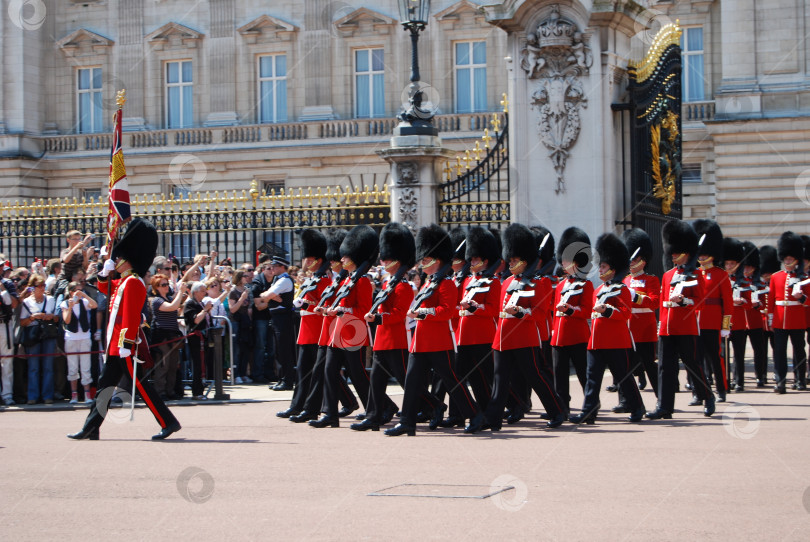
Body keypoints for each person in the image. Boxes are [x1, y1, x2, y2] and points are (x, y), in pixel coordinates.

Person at [68, 217, 181, 440]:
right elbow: (108, 291)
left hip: (125, 345)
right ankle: (92, 427)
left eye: (118, 258)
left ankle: (168, 422)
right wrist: (103, 273)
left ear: (127, 260)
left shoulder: (134, 282)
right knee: (104, 386)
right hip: (116, 344)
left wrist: (126, 344)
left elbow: (129, 316)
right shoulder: (126, 280)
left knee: (141, 385)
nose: (116, 260)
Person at [385, 224, 484, 436]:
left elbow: (447, 311)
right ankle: (407, 422)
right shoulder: (429, 282)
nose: (422, 263)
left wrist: (421, 313)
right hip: (420, 341)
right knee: (412, 382)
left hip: (439, 342)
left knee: (453, 382)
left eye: (426, 259)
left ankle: (475, 414)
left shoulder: (446, 283)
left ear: (436, 260)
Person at [481, 223, 565, 431]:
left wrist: (519, 312)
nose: (510, 263)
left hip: (525, 337)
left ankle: (557, 411)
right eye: (509, 259)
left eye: (514, 260)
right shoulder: (506, 281)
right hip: (503, 338)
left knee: (535, 376)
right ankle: (493, 418)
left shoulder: (540, 283)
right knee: (500, 380)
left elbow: (539, 313)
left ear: (525, 260)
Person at [569, 233, 645, 424]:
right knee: (592, 379)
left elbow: (625, 313)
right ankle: (589, 411)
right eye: (600, 266)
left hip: (615, 341)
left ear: (613, 269)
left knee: (624, 377)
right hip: (596, 341)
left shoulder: (622, 290)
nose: (600, 269)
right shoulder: (598, 290)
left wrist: (607, 310)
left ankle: (637, 407)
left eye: (603, 266)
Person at [310, 225, 377, 428]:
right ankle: (330, 414)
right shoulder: (347, 279)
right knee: (329, 371)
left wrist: (341, 311)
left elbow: (363, 310)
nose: (342, 260)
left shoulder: (363, 281)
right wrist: (330, 309)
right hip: (337, 332)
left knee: (358, 375)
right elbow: (341, 304)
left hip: (352, 333)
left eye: (346, 257)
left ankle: (377, 408)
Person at [647, 219, 715, 419]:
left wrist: (684, 300)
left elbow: (700, 302)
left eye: (677, 253)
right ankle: (664, 406)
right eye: (672, 253)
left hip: (686, 327)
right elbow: (662, 302)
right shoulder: (667, 275)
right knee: (665, 368)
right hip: (667, 327)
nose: (673, 255)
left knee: (692, 365)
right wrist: (661, 324)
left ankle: (707, 395)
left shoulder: (696, 274)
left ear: (686, 253)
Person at [352, 222, 415, 431]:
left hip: (396, 339)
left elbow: (399, 314)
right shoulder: (388, 284)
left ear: (397, 260)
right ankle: (374, 416)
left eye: (387, 258)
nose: (383, 261)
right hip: (382, 339)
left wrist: (378, 319)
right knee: (376, 381)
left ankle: (433, 405)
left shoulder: (404, 286)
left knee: (405, 380)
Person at [277, 229, 331, 418]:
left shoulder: (324, 279)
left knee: (316, 373)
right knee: (303, 370)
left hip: (316, 329)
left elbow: (326, 303)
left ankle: (309, 407)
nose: (306, 263)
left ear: (318, 260)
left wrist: (306, 303)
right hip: (306, 330)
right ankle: (297, 405)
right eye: (306, 259)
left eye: (309, 260)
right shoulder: (313, 278)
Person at [551, 227, 594, 414]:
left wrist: (570, 310)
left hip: (577, 336)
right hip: (559, 337)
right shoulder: (560, 284)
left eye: (567, 260)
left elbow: (586, 311)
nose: (563, 263)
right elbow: (554, 312)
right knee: (559, 376)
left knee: (584, 374)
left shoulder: (586, 284)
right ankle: (562, 407)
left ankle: (590, 406)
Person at [617, 228, 660, 412]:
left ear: (644, 260)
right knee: (623, 368)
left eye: (635, 259)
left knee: (650, 366)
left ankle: (662, 398)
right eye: (631, 259)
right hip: (627, 329)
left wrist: (637, 298)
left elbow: (655, 302)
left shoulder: (651, 280)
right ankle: (625, 401)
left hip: (645, 330)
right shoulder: (624, 280)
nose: (632, 263)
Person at [693, 219, 734, 403]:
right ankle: (698, 393)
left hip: (712, 321)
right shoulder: (693, 274)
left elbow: (728, 302)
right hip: (695, 322)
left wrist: (725, 324)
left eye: (704, 254)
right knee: (696, 360)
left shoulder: (720, 274)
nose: (701, 257)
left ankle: (722, 389)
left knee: (715, 359)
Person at [767, 231, 810, 393]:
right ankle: (780, 381)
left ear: (796, 260)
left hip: (797, 318)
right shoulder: (776, 277)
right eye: (786, 259)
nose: (788, 262)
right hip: (779, 319)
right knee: (779, 352)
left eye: (790, 259)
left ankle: (800, 380)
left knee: (799, 350)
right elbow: (771, 300)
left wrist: (802, 297)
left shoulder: (804, 278)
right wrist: (770, 319)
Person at [259, 256, 295, 391]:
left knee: (284, 350)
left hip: (283, 317)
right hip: (276, 316)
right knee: (278, 351)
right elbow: (265, 295)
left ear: (282, 267)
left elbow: (267, 296)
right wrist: (272, 296)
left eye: (275, 266)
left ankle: (287, 380)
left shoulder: (284, 280)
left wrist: (271, 296)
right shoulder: (277, 280)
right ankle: (282, 379)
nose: (272, 268)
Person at [21, 275, 58, 404]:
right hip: (33, 335)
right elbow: (22, 322)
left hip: (47, 334)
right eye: (39, 286)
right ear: (32, 288)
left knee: (48, 366)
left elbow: (57, 318)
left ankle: (47, 396)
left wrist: (50, 316)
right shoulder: (26, 302)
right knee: (33, 367)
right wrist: (32, 317)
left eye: (44, 286)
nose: (42, 288)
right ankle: (32, 396)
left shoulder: (50, 299)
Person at [150, 274, 187, 399]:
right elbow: (172, 307)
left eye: (167, 284)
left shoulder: (170, 298)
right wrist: (180, 293)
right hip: (162, 336)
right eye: (163, 285)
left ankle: (170, 391)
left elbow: (177, 307)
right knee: (163, 366)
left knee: (173, 366)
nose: (166, 287)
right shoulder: (157, 301)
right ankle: (160, 392)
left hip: (172, 335)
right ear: (157, 287)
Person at [61, 279, 98, 403]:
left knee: (85, 367)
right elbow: (66, 320)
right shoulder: (65, 304)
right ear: (70, 292)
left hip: (84, 337)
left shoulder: (85, 302)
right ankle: (74, 395)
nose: (78, 293)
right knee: (72, 367)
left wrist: (84, 295)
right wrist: (70, 307)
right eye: (76, 291)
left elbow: (95, 305)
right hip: (71, 337)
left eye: (80, 290)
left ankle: (87, 395)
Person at [184, 281, 212, 400]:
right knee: (197, 364)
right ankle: (197, 392)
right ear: (195, 292)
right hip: (195, 337)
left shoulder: (199, 303)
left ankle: (200, 388)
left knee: (201, 364)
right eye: (202, 290)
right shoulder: (191, 303)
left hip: (202, 336)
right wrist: (205, 310)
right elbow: (195, 320)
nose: (205, 292)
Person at [250, 255, 275, 383]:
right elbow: (258, 306)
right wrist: (272, 299)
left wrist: (266, 299)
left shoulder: (276, 281)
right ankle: (257, 374)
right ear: (263, 270)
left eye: (273, 268)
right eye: (269, 268)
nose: (272, 271)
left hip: (273, 317)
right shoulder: (257, 283)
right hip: (261, 318)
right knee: (260, 346)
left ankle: (270, 374)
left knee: (272, 348)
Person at [228, 269, 253, 384]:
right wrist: (242, 298)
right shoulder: (233, 291)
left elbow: (248, 308)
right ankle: (236, 374)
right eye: (244, 276)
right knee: (236, 349)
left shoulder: (246, 290)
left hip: (245, 322)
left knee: (245, 348)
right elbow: (232, 309)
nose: (246, 277)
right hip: (235, 321)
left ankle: (243, 373)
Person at [0, 269, 19, 405]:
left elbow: (14, 303)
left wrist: (2, 287)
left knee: (7, 361)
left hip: (4, 324)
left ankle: (7, 394)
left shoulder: (7, 283)